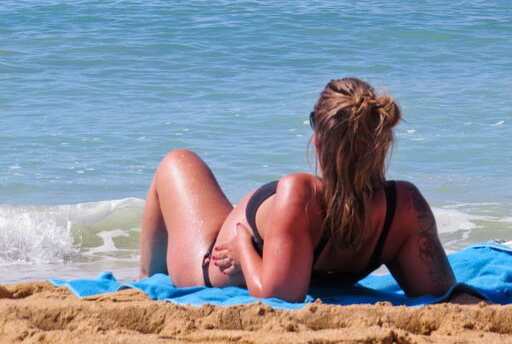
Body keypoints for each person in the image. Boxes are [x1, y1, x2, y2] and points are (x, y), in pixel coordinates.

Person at [138, 78, 455, 302]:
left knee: (177, 161)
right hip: (252, 237)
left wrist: (244, 245)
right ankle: (146, 278)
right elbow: (439, 290)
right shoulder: (405, 206)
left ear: (318, 142)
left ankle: (144, 280)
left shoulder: (300, 195)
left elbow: (278, 295)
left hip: (210, 264)